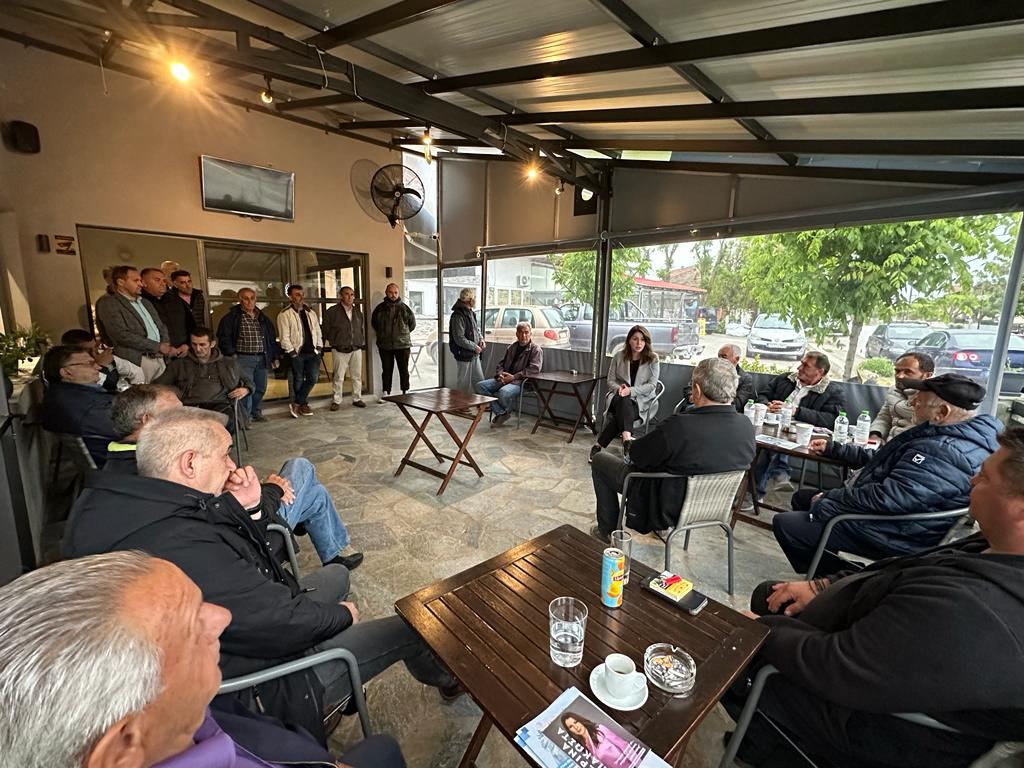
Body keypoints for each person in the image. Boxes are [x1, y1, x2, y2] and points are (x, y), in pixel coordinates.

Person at [64, 407, 456, 740]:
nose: (232, 465)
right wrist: (342, 616)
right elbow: (275, 620)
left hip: (245, 633)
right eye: (225, 455)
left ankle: (347, 686)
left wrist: (250, 507)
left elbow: (248, 567)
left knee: (337, 574)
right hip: (270, 683)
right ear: (189, 463)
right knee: (412, 627)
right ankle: (449, 680)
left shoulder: (140, 502)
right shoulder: (180, 541)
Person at [726, 429, 1024, 768]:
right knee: (769, 595)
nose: (972, 479)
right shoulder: (993, 548)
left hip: (872, 721)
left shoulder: (977, 609)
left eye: (984, 477)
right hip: (872, 646)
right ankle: (760, 739)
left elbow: (841, 668)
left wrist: (761, 633)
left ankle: (771, 739)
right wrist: (822, 586)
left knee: (725, 646)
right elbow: (897, 571)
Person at [0, 551, 406, 768]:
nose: (222, 617)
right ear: (123, 750)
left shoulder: (167, 718)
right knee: (383, 749)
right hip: (280, 686)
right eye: (189, 625)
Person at [103, 387, 364, 570]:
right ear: (147, 421)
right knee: (300, 467)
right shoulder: (157, 465)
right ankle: (322, 543)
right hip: (255, 532)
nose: (190, 417)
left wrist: (229, 482)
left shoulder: (118, 468)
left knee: (313, 493)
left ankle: (329, 552)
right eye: (178, 413)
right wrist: (271, 490)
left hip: (242, 518)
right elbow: (219, 513)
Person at [773, 373, 1000, 576]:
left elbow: (889, 497)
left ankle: (849, 581)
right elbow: (886, 459)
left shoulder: (943, 450)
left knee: (788, 525)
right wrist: (835, 449)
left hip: (898, 532)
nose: (911, 403)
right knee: (802, 498)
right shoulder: (959, 436)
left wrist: (831, 498)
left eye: (919, 400)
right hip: (903, 519)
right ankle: (834, 568)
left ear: (942, 412)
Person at [590, 358, 755, 540]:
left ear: (697, 390)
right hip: (712, 508)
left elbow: (637, 455)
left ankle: (608, 532)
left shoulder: (680, 427)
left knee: (600, 461)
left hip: (666, 507)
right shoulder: (746, 426)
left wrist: (634, 444)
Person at [753, 351, 846, 500]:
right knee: (769, 441)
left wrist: (796, 411)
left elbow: (831, 419)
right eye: (801, 363)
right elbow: (763, 395)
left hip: (802, 435)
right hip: (772, 425)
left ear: (819, 372)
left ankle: (754, 494)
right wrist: (767, 405)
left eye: (805, 365)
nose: (799, 368)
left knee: (771, 445)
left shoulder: (833, 392)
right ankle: (779, 475)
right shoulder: (785, 379)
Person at [155, 327, 251, 431]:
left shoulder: (229, 363)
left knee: (227, 423)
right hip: (190, 406)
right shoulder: (179, 365)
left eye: (202, 344)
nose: (198, 349)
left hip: (221, 405)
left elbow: (248, 382)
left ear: (212, 344)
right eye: (194, 344)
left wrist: (246, 389)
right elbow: (158, 385)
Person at [94, 265, 176, 382]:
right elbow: (121, 334)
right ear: (121, 282)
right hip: (138, 360)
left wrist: (165, 343)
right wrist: (157, 346)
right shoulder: (109, 303)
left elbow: (160, 325)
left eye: (140, 280)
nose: (141, 284)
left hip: (160, 358)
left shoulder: (145, 302)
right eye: (136, 280)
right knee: (142, 393)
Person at [39, 344, 118, 464]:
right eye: (90, 363)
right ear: (67, 373)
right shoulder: (90, 408)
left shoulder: (60, 394)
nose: (98, 367)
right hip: (123, 463)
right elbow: (133, 429)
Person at [591, 325, 660, 463]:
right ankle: (627, 441)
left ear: (646, 342)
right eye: (635, 339)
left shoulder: (653, 359)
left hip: (642, 401)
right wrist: (619, 389)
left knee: (620, 416)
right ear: (629, 340)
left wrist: (630, 391)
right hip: (618, 397)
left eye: (642, 340)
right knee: (623, 400)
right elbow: (610, 380)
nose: (639, 343)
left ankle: (598, 445)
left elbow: (652, 385)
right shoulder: (619, 356)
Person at [216, 287, 280, 423]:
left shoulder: (262, 317)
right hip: (242, 358)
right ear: (240, 300)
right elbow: (224, 338)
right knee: (246, 389)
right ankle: (245, 418)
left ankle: (256, 412)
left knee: (260, 387)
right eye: (246, 298)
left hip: (261, 357)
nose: (249, 301)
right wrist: (231, 354)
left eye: (252, 298)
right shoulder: (231, 318)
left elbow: (271, 339)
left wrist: (274, 357)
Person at [475, 321, 542, 427]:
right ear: (516, 334)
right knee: (480, 386)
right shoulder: (512, 347)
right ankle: (502, 412)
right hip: (505, 379)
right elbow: (501, 364)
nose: (523, 335)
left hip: (522, 382)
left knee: (503, 392)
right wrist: (500, 374)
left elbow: (534, 370)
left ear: (530, 334)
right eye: (520, 332)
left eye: (526, 332)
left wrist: (513, 377)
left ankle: (504, 412)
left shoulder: (536, 350)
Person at [277, 284, 323, 418]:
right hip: (298, 353)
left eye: (302, 294)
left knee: (312, 379)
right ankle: (303, 405)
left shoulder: (310, 312)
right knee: (297, 380)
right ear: (290, 297)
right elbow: (284, 336)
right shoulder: (285, 314)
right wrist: (292, 353)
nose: (301, 297)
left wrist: (319, 348)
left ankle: (297, 403)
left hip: (313, 353)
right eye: (297, 294)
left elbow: (317, 331)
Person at [870, 351, 935, 443]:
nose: (899, 376)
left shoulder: (933, 398)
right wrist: (875, 435)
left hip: (913, 445)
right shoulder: (893, 390)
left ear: (927, 375)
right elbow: (884, 417)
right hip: (888, 444)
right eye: (897, 371)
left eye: (908, 372)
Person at [322, 285, 367, 410]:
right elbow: (325, 330)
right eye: (347, 294)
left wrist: (360, 341)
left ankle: (357, 398)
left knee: (356, 375)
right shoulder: (332, 312)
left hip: (356, 348)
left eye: (352, 294)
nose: (350, 297)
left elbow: (360, 328)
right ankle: (336, 400)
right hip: (339, 349)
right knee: (338, 376)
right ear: (341, 296)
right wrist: (335, 341)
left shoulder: (357, 312)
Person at [371, 283, 417, 401]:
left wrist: (401, 335)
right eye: (391, 292)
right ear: (386, 293)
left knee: (404, 370)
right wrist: (383, 334)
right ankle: (386, 393)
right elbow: (375, 324)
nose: (393, 295)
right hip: (385, 345)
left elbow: (412, 325)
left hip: (403, 345)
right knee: (386, 370)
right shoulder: (380, 309)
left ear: (398, 293)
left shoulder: (405, 308)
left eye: (395, 292)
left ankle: (405, 391)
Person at [60, 327, 135, 391]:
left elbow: (133, 371)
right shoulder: (74, 368)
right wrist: (101, 366)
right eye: (88, 350)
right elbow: (98, 388)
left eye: (95, 347)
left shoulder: (103, 355)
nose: (94, 353)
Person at [140, 266, 193, 349]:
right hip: (155, 352)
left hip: (182, 350)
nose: (163, 284)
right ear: (144, 282)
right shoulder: (139, 302)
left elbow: (191, 324)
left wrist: (187, 345)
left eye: (164, 281)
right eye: (157, 280)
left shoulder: (176, 300)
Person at [560, 713, 640, 768]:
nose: (576, 727)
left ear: (580, 720)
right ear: (570, 731)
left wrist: (640, 764)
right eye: (571, 726)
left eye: (576, 722)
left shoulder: (600, 730)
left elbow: (624, 746)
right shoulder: (584, 748)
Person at [447, 288, 483, 394]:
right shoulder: (458, 315)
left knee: (480, 382)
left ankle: (482, 402)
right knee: (463, 384)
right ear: (470, 300)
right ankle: (460, 404)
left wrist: (481, 339)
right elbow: (459, 338)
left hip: (474, 354)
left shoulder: (471, 313)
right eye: (474, 297)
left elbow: (476, 329)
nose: (475, 299)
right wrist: (474, 347)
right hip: (464, 354)